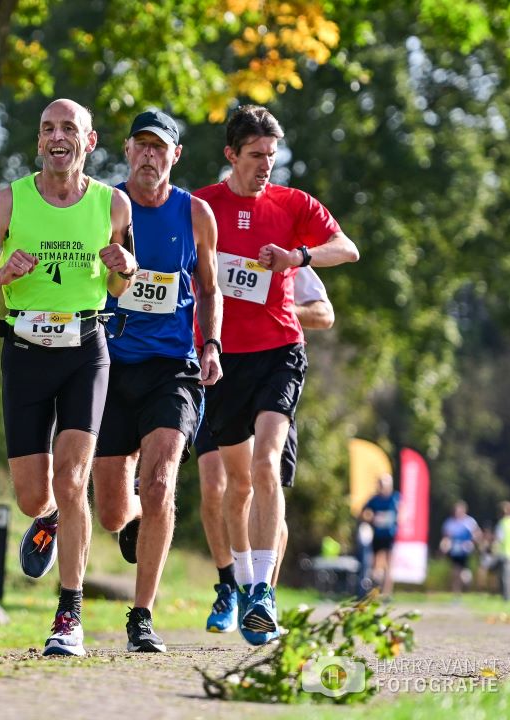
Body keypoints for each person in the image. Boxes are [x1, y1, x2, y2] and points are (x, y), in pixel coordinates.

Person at [0, 99, 136, 656]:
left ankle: (68, 615)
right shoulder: (10, 200)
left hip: (86, 348)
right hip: (26, 351)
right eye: (48, 129)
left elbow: (124, 284)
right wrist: (2, 273)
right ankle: (49, 518)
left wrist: (122, 267)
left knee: (74, 476)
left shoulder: (113, 203)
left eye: (69, 129)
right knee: (35, 496)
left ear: (90, 140)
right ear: (38, 143)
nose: (58, 137)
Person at [193, 105, 360, 645]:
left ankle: (263, 590)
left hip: (280, 349)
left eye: (272, 155)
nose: (266, 165)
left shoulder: (293, 204)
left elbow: (347, 249)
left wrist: (298, 257)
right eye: (256, 155)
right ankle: (244, 586)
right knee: (235, 484)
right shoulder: (203, 205)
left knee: (267, 463)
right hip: (222, 359)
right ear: (231, 155)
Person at [89, 110, 222, 653]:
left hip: (173, 368)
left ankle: (141, 616)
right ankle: (136, 515)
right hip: (110, 364)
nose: (149, 155)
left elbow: (210, 288)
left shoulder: (196, 214)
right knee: (113, 511)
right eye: (140, 146)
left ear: (175, 156)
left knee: (163, 476)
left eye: (158, 147)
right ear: (126, 151)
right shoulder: (104, 206)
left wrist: (211, 343)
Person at [195, 265, 334, 632]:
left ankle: (262, 599)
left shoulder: (282, 252)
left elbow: (324, 313)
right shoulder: (209, 232)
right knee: (215, 487)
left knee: (266, 481)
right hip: (219, 377)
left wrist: (276, 307)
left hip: (272, 384)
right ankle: (231, 585)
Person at [360, 474, 401, 598]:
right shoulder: (374, 500)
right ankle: (375, 592)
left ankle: (387, 593)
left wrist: (397, 518)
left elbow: (403, 513)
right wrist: (371, 517)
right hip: (377, 535)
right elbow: (364, 514)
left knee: (389, 564)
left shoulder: (396, 498)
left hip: (390, 535)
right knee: (375, 564)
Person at [440, 500, 480, 596]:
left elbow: (477, 534)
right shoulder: (449, 522)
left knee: (464, 575)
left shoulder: (469, 521)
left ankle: (466, 584)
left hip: (466, 551)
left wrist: (471, 542)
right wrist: (443, 547)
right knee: (455, 573)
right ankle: (456, 594)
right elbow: (446, 537)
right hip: (454, 551)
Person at [491, 501, 510, 601]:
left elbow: (499, 539)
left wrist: (493, 551)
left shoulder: (502, 523)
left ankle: (507, 598)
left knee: (505, 578)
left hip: (504, 553)